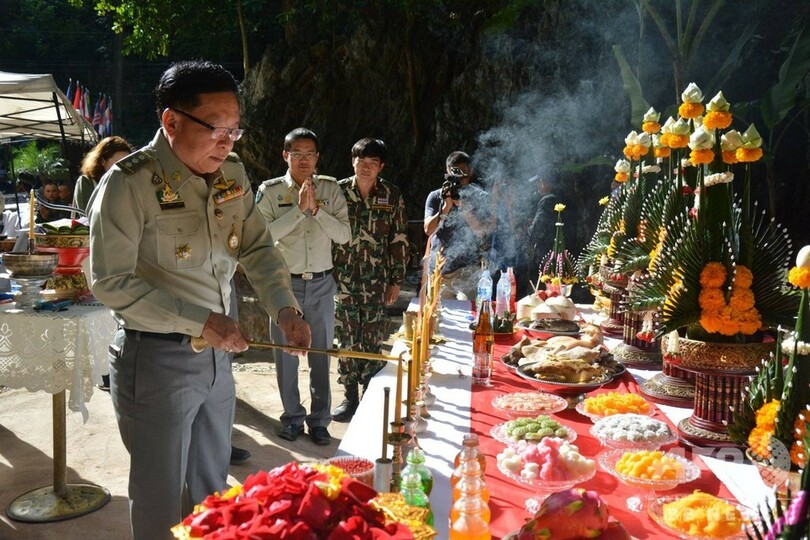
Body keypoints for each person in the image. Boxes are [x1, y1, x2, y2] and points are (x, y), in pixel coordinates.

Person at [88, 60, 311, 540]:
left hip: (218, 360)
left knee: (214, 492)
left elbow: (257, 248)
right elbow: (111, 281)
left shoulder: (231, 173)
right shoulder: (130, 183)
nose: (227, 142)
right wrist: (203, 321)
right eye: (216, 129)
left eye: (235, 130)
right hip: (157, 360)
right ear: (171, 121)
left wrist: (285, 309)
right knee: (160, 498)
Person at [255, 128, 350, 445]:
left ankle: (320, 421)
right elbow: (263, 237)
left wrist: (316, 211)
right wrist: (298, 211)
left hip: (322, 283)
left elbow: (344, 235)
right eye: (297, 154)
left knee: (321, 354)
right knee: (286, 355)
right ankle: (292, 418)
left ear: (318, 157)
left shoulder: (330, 188)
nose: (304, 160)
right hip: (283, 287)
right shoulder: (269, 192)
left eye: (310, 153)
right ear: (286, 156)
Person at [331, 138, 409, 422]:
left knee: (373, 337)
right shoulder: (336, 192)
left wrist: (396, 280)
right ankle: (349, 396)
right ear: (353, 161)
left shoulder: (391, 194)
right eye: (361, 162)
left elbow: (398, 238)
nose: (366, 168)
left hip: (376, 281)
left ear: (381, 166)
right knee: (347, 337)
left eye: (373, 163)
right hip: (343, 279)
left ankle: (369, 395)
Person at [423, 151, 492, 300]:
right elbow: (429, 230)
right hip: (439, 270)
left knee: (468, 314)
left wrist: (464, 207)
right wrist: (446, 207)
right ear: (447, 172)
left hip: (467, 271)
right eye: (455, 174)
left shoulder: (479, 196)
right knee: (437, 316)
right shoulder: (436, 196)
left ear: (471, 172)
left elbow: (481, 232)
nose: (459, 180)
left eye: (463, 175)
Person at [74, 135, 133, 213]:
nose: (122, 168)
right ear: (103, 161)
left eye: (125, 163)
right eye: (118, 163)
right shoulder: (86, 182)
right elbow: (87, 216)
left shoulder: (129, 183)